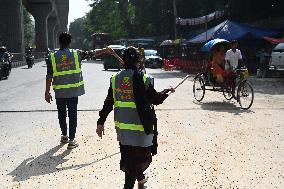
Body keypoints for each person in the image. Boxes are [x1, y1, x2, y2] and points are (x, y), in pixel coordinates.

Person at [96, 46, 175, 189]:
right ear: (139, 61)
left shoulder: (115, 79)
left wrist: (100, 122)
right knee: (137, 161)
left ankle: (141, 179)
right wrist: (167, 92)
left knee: (130, 161)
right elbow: (156, 99)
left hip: (124, 132)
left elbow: (108, 102)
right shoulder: (144, 79)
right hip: (141, 130)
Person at [45, 32, 112, 149]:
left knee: (61, 114)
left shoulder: (51, 57)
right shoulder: (76, 54)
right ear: (70, 42)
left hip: (59, 92)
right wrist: (105, 50)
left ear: (59, 42)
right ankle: (72, 140)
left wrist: (47, 92)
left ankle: (64, 136)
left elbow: (49, 76)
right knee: (72, 114)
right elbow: (92, 54)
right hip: (73, 91)